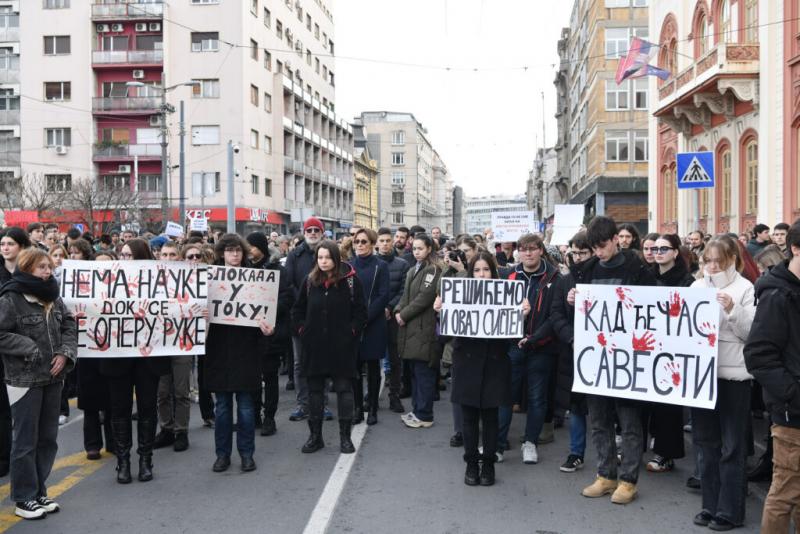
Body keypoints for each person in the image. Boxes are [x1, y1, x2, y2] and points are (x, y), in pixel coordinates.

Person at [576, 216, 656, 505]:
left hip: (627, 360)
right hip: (597, 360)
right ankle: (606, 474)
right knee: (598, 421)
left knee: (629, 422)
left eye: (603, 246)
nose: (599, 252)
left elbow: (653, 311)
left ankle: (629, 480)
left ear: (615, 240)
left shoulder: (638, 270)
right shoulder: (586, 270)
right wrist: (574, 299)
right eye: (594, 248)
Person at [434, 250, 527, 486]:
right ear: (471, 273)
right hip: (466, 363)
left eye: (486, 270)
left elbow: (512, 337)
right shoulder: (458, 295)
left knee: (491, 417)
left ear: (493, 272)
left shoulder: (505, 296)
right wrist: (441, 313)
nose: (482, 274)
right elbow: (444, 336)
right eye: (477, 270)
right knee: (469, 418)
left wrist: (521, 316)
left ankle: (488, 464)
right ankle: (471, 463)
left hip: (495, 363)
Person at [0, 248, 77, 519]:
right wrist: (27, 345)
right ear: (27, 268)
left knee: (47, 440)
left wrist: (65, 353)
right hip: (25, 379)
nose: (48, 271)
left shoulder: (53, 297)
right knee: (25, 442)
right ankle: (23, 498)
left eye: (49, 267)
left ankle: (39, 492)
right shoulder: (11, 298)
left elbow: (69, 325)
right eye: (41, 267)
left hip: (53, 378)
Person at [689, 237, 755, 530]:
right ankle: (710, 505)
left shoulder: (744, 288)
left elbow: (751, 333)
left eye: (719, 260)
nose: (713, 266)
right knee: (706, 445)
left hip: (733, 377)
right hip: (702, 377)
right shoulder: (697, 287)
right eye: (708, 260)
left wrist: (732, 311)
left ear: (732, 260)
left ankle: (730, 511)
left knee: (732, 447)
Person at [99, 238, 171, 484]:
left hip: (148, 357)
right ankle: (123, 460)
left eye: (130, 255)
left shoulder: (159, 281)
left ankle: (145, 459)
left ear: (141, 257)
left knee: (147, 409)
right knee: (119, 409)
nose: (125, 259)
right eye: (123, 255)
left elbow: (173, 310)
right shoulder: (110, 281)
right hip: (118, 356)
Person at [744, 221, 800, 533]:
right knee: (784, 495)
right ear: (794, 248)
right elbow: (758, 355)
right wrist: (793, 394)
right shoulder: (778, 295)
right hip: (792, 417)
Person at [205, 234, 274, 473]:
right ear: (222, 253)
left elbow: (265, 314)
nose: (234, 255)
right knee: (222, 409)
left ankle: (246, 454)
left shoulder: (256, 279)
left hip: (246, 351)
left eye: (238, 251)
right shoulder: (209, 279)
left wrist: (266, 329)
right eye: (230, 251)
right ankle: (222, 455)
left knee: (246, 408)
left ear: (243, 254)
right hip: (218, 351)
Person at [291, 241, 367, 454]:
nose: (323, 262)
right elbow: (297, 311)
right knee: (315, 391)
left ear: (336, 258)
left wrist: (350, 332)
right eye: (320, 257)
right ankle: (315, 437)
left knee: (344, 390)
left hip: (341, 348)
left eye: (327, 257)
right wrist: (302, 330)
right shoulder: (309, 281)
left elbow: (361, 313)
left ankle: (345, 437)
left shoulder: (351, 282)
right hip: (314, 347)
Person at [497, 233, 561, 464]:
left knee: (537, 398)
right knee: (506, 396)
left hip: (541, 347)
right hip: (513, 345)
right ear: (518, 252)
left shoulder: (554, 277)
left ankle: (530, 442)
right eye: (523, 249)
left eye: (532, 249)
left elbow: (555, 315)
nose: (528, 253)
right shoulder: (510, 276)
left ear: (541, 251)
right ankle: (498, 445)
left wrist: (534, 338)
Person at [644, 234, 694, 474]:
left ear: (675, 252)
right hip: (646, 346)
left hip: (672, 350)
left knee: (667, 405)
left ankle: (666, 453)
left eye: (665, 248)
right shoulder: (645, 277)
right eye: (655, 248)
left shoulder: (687, 281)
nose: (659, 252)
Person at [550, 232, 593, 473]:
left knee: (601, 409)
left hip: (600, 353)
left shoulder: (600, 278)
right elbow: (555, 314)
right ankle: (577, 452)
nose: (577, 258)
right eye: (574, 253)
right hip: (573, 351)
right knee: (576, 406)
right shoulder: (564, 281)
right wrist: (572, 337)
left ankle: (610, 456)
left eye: (582, 253)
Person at [246, 232, 293, 437]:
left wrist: (268, 311)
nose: (249, 250)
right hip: (249, 335)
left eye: (252, 246)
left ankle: (269, 417)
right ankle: (254, 415)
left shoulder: (278, 271)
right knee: (251, 377)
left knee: (270, 376)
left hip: (270, 333)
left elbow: (287, 298)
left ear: (262, 248)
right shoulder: (243, 270)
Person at [285, 217, 331, 422]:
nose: (312, 232)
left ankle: (322, 404)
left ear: (322, 232)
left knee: (322, 361)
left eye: (316, 229)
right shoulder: (294, 255)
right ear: (304, 232)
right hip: (301, 318)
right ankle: (303, 404)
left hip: (323, 318)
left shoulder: (328, 253)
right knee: (300, 363)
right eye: (309, 229)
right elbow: (289, 283)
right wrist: (305, 302)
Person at [395, 233, 442, 428]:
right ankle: (416, 411)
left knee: (423, 374)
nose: (416, 252)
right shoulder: (414, 269)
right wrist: (398, 309)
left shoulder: (432, 269)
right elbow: (405, 295)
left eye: (420, 248)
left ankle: (425, 414)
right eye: (414, 248)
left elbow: (424, 297)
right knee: (414, 372)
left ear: (429, 249)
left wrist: (403, 315)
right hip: (411, 328)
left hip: (423, 328)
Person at [152, 241, 193, 453]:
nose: (168, 258)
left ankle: (181, 431)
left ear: (179, 257)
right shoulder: (150, 280)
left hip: (183, 341)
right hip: (159, 343)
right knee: (162, 391)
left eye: (172, 255)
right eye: (164, 254)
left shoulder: (191, 280)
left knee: (181, 390)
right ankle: (166, 429)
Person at [441, 236, 480, 447]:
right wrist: (452, 268)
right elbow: (443, 290)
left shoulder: (483, 269)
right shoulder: (453, 271)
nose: (463, 255)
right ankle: (460, 430)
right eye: (459, 251)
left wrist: (463, 270)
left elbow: (477, 291)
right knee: (459, 388)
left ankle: (478, 427)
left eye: (466, 251)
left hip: (482, 342)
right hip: (459, 341)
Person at [0, 227, 31, 478]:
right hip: (3, 346)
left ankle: (23, 458)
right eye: (2, 244)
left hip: (26, 347)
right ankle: (3, 458)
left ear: (21, 246)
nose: (5, 248)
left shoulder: (31, 272)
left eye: (10, 243)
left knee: (21, 410)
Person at [78, 252, 114, 462]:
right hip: (89, 351)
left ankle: (113, 441)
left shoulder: (123, 290)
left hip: (115, 351)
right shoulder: (80, 291)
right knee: (90, 401)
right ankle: (92, 445)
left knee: (113, 399)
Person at [351, 228, 390, 426]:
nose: (359, 245)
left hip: (374, 324)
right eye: (356, 241)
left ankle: (373, 408)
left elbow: (383, 295)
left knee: (373, 368)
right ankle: (358, 409)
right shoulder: (348, 265)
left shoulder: (380, 266)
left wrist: (366, 317)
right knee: (355, 369)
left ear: (372, 243)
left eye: (363, 241)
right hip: (354, 325)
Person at [376, 228, 410, 414]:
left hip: (392, 317)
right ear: (377, 243)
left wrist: (390, 308)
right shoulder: (370, 263)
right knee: (373, 360)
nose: (386, 243)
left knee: (395, 359)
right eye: (382, 240)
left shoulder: (402, 264)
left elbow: (403, 291)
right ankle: (372, 395)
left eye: (388, 240)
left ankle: (394, 396)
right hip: (374, 318)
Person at [183, 244, 216, 428]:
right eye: (190, 257)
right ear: (184, 259)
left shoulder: (212, 278)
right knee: (180, 379)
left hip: (206, 333)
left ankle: (208, 413)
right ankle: (179, 422)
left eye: (198, 256)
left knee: (204, 376)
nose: (194, 260)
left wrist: (209, 312)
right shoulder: (175, 280)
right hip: (181, 334)